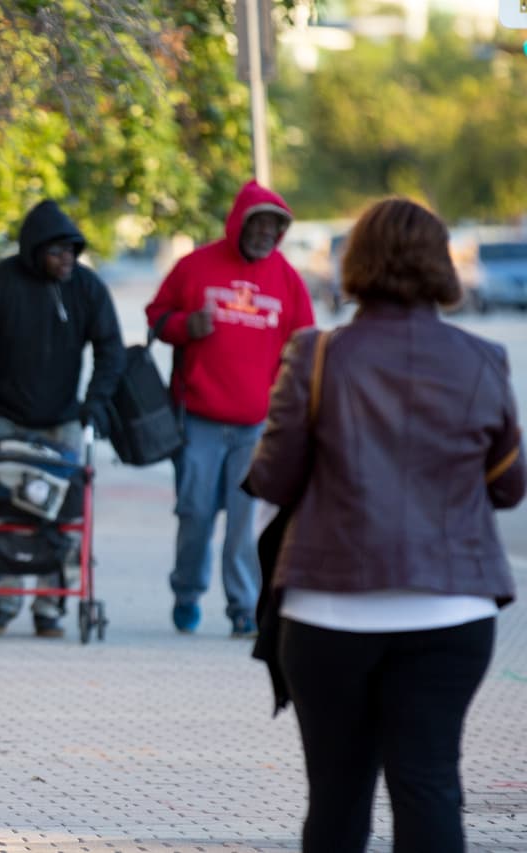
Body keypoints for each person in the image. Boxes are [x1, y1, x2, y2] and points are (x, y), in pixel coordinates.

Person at [246, 197, 524, 853]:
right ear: (441, 265)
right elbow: (509, 486)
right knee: (429, 787)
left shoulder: (315, 355)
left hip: (327, 610)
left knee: (338, 798)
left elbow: (273, 479)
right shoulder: (482, 359)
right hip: (451, 609)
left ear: (356, 262)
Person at [0, 199, 125, 638]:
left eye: (72, 251)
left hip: (61, 419)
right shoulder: (1, 283)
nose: (67, 260)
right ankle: (3, 601)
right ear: (35, 250)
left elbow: (111, 349)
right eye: (57, 252)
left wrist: (96, 402)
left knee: (62, 515)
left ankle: (51, 606)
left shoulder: (86, 288)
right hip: (1, 417)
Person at [145, 179, 314, 638]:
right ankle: (186, 592)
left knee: (245, 524)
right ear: (239, 224)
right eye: (257, 226)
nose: (264, 235)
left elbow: (304, 344)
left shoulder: (287, 279)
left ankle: (244, 608)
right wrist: (185, 325)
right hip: (199, 420)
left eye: (273, 228)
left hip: (256, 425)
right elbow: (156, 316)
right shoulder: (195, 266)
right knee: (195, 514)